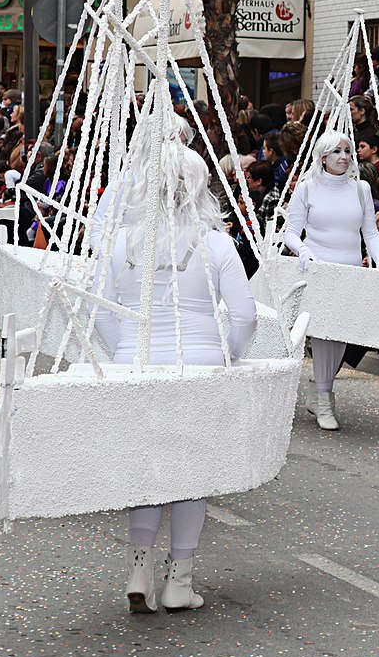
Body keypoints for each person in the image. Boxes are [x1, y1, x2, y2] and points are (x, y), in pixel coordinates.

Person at [94, 147, 259, 614]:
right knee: (191, 473)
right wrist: (228, 355)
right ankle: (179, 582)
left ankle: (138, 570)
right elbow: (245, 316)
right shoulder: (217, 244)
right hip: (199, 368)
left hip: (135, 369)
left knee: (146, 469)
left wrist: (125, 352)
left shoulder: (122, 241)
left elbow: (99, 312)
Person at [283, 132, 379, 430]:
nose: (344, 157)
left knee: (341, 332)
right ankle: (325, 397)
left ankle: (320, 391)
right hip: (319, 268)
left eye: (347, 151)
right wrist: (303, 250)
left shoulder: (361, 188)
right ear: (323, 157)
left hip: (351, 269)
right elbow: (291, 231)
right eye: (336, 152)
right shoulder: (307, 189)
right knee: (322, 334)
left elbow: (369, 231)